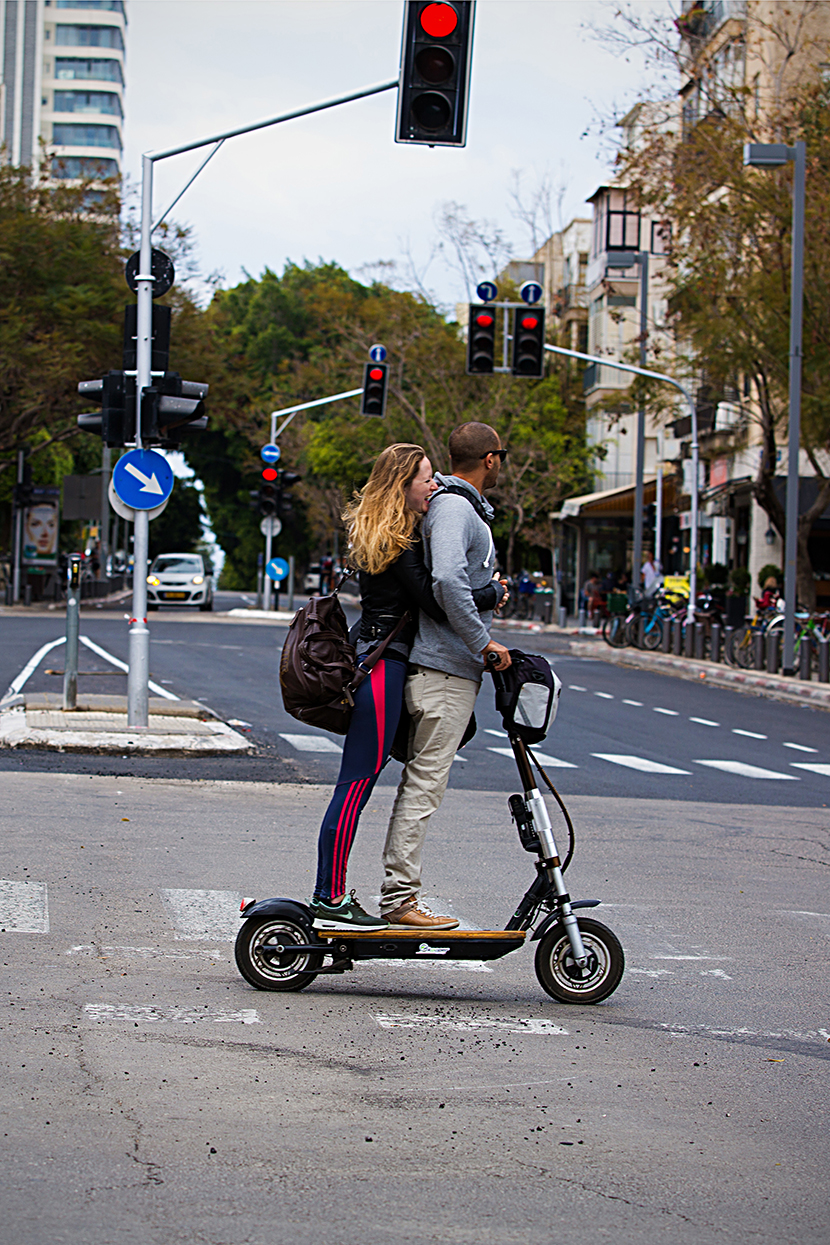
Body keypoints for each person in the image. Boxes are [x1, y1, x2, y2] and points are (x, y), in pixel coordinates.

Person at [312, 443, 502, 932]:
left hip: (382, 662)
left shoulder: (389, 534)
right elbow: (437, 601)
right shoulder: (396, 543)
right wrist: (493, 593)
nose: (434, 487)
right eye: (425, 479)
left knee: (359, 784)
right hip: (382, 667)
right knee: (355, 785)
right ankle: (328, 897)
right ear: (403, 485)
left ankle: (330, 893)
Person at [379, 422, 511, 930]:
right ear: (491, 459)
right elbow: (447, 579)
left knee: (422, 785)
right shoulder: (457, 507)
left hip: (447, 671)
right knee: (423, 788)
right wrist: (483, 642)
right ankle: (399, 901)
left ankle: (399, 897)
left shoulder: (457, 506)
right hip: (442, 672)